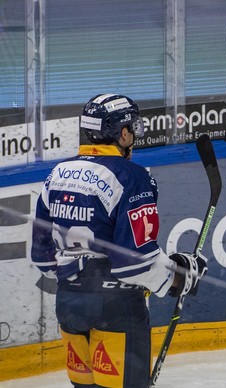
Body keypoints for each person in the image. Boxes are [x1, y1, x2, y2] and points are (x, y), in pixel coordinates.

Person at [30, 94, 207, 388]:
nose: (134, 136)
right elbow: (135, 265)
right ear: (122, 133)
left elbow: (43, 258)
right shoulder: (132, 177)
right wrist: (179, 280)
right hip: (115, 308)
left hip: (69, 305)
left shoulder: (56, 174)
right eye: (132, 128)